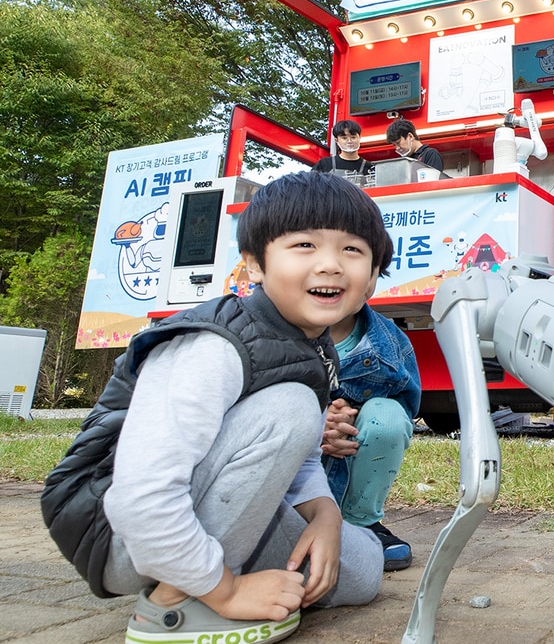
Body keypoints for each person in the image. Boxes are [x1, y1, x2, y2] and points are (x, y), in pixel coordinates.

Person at [41, 171, 394, 643]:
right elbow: (142, 494)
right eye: (305, 245)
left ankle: (209, 572)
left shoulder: (315, 348)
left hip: (211, 513)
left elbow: (302, 456)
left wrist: (325, 515)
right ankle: (176, 604)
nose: (330, 265)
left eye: (352, 250)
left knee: (362, 568)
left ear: (372, 275)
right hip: (118, 534)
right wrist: (225, 591)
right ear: (254, 265)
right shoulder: (214, 345)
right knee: (289, 407)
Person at [321, 285, 421, 572]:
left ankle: (359, 522)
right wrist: (313, 423)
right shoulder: (270, 336)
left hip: (346, 454)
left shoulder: (389, 342)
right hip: (285, 486)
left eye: (357, 258)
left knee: (388, 416)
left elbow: (405, 404)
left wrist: (353, 418)